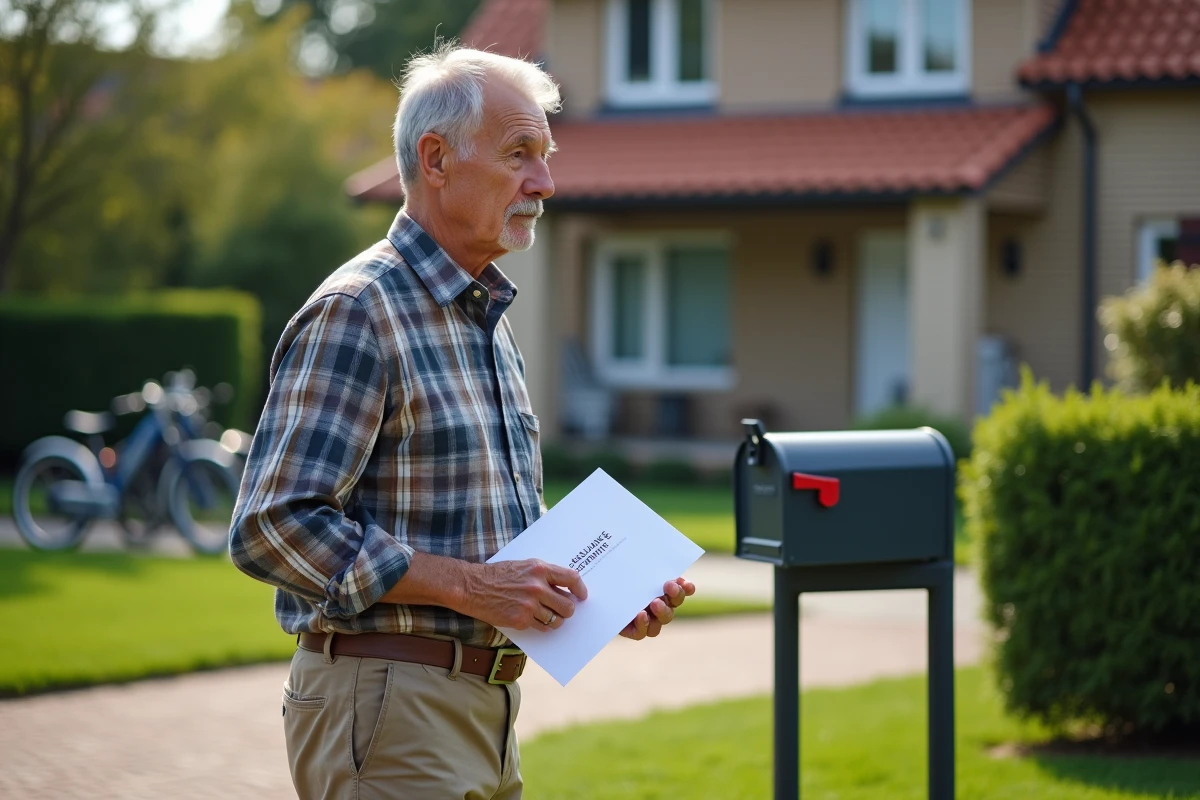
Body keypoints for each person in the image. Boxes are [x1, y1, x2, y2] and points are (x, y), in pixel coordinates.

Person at [229, 43, 696, 800]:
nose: (544, 183)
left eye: (545, 156)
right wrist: (472, 589)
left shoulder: (483, 315)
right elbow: (271, 525)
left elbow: (487, 539)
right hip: (390, 703)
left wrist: (598, 594)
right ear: (436, 159)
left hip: (484, 706)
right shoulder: (361, 310)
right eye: (520, 155)